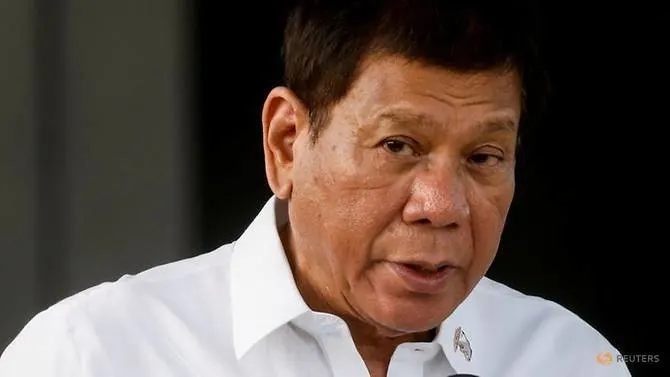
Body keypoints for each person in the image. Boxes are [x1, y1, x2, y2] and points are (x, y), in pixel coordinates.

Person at [0, 1, 631, 376]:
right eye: (397, 146)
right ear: (286, 142)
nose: (441, 206)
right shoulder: (96, 358)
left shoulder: (566, 360)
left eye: (484, 155)